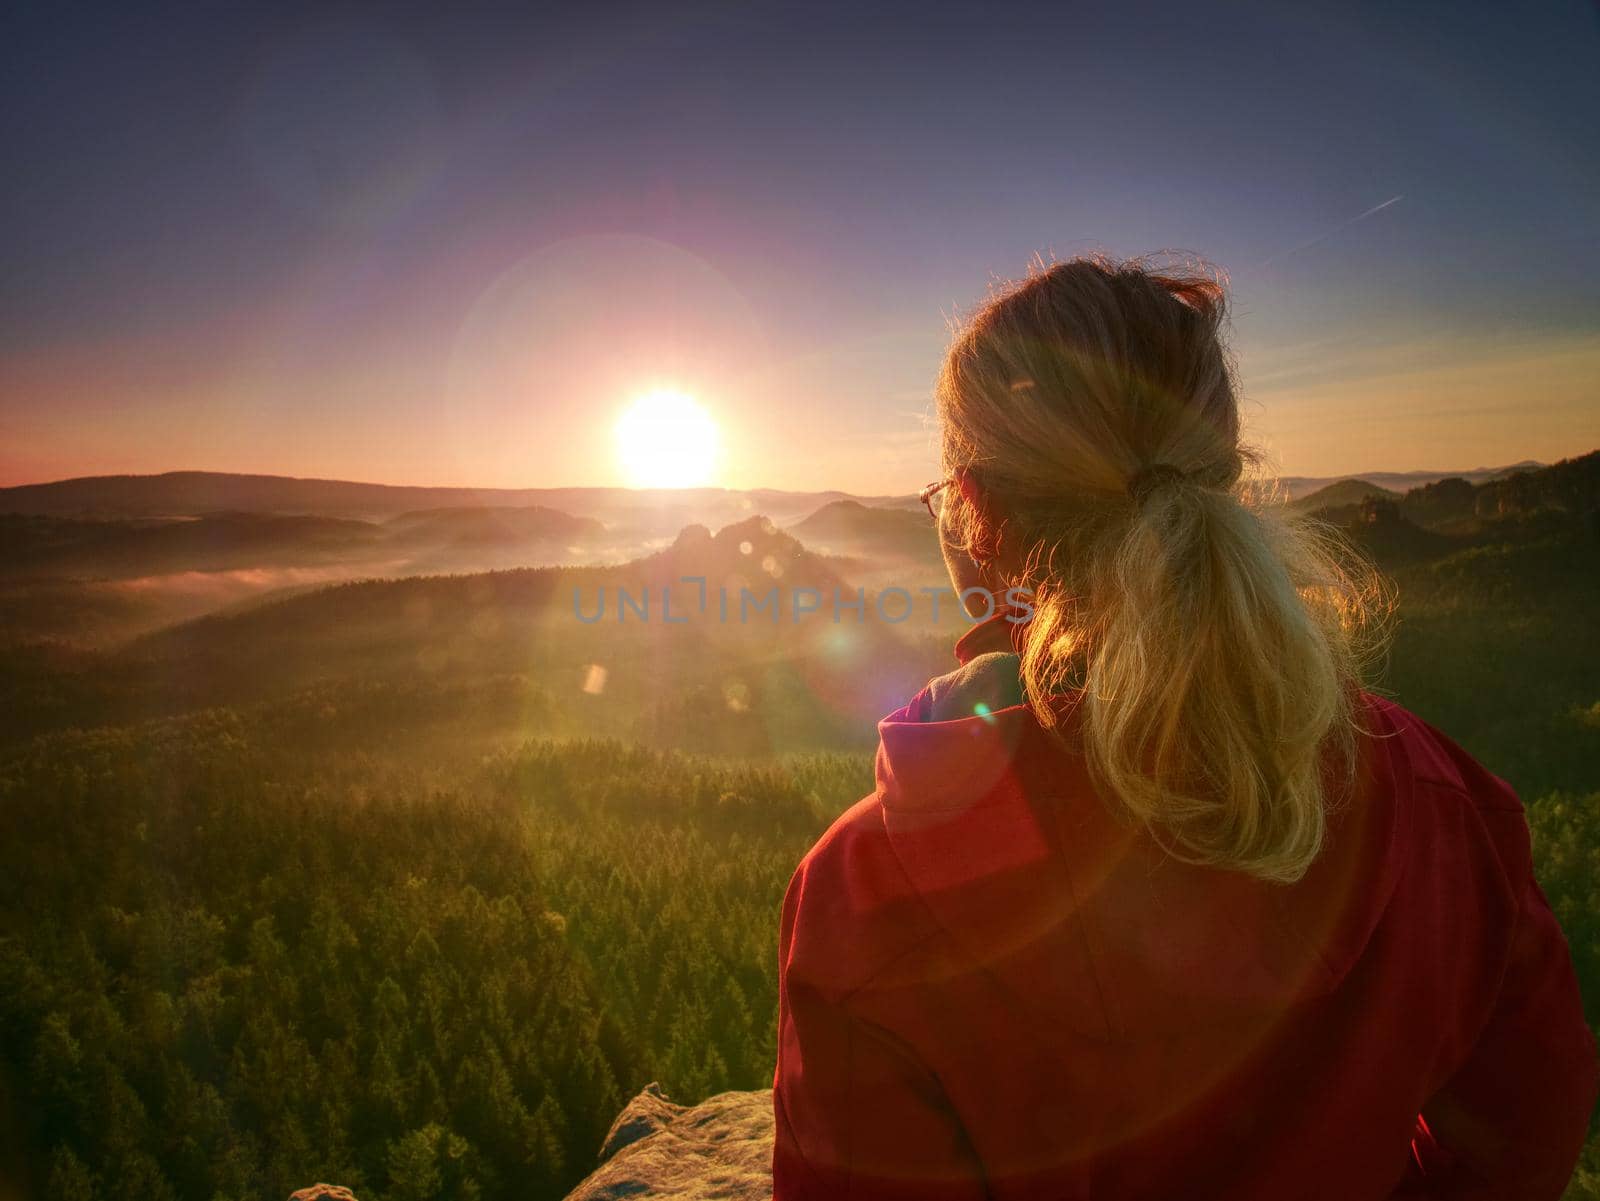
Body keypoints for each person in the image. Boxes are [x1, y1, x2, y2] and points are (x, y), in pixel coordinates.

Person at [770, 256, 1596, 1199]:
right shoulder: (1439, 796)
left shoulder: (870, 895)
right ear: (1224, 472)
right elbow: (1531, 1120)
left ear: (980, 517)